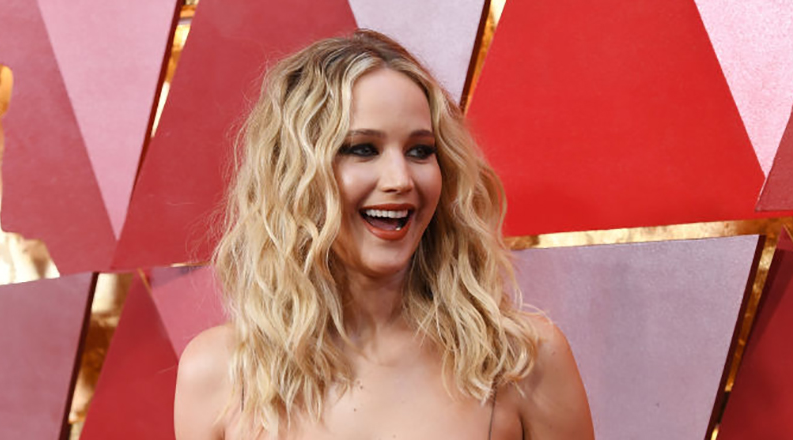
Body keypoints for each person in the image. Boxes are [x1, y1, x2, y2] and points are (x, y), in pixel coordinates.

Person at [175, 30, 593, 440]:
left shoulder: (523, 360)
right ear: (293, 175)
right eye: (362, 149)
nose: (400, 179)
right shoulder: (217, 374)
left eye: (420, 151)